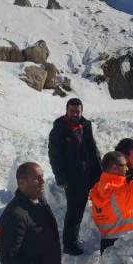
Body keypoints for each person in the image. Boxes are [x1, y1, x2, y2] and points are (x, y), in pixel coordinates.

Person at [0, 163, 61, 264]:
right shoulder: (15, 214)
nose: (42, 182)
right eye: (36, 178)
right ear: (22, 183)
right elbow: (8, 257)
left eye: (42, 177)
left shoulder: (39, 201)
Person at [48, 98, 102, 256]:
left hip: (89, 174)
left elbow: (93, 149)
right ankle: (69, 244)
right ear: (67, 110)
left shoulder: (85, 125)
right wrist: (61, 178)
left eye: (78, 111)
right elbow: (54, 156)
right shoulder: (59, 129)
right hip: (72, 178)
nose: (75, 114)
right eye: (72, 111)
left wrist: (99, 173)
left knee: (94, 204)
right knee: (75, 210)